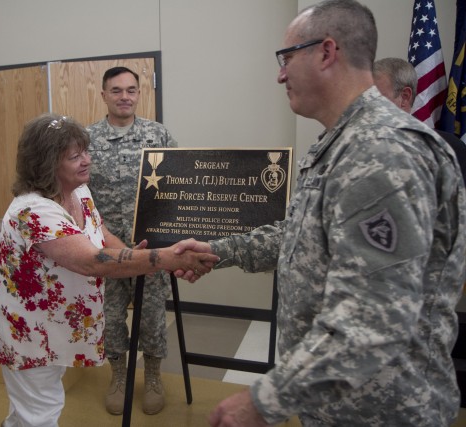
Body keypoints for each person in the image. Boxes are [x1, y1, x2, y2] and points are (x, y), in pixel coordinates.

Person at [175, 1, 466, 426]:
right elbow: (302, 236)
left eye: (287, 58)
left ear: (326, 52)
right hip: (336, 403)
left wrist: (264, 401)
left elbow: (374, 318)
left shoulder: (381, 151)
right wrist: (220, 250)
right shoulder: (342, 141)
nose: (280, 74)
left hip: (384, 409)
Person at [0, 113, 217, 427]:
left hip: (52, 323)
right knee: (39, 412)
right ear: (46, 164)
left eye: (86, 151)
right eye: (75, 156)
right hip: (28, 328)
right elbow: (91, 260)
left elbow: (100, 231)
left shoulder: (77, 191)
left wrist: (130, 254)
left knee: (35, 405)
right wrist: (169, 258)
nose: (87, 160)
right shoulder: (33, 210)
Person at [86, 66, 178, 415]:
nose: (125, 96)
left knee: (153, 314)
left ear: (139, 93)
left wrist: (168, 239)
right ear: (104, 94)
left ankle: (153, 376)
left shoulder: (159, 135)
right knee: (110, 315)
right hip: (105, 249)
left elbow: (176, 186)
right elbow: (77, 192)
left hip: (150, 247)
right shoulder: (86, 139)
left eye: (131, 90)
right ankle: (119, 375)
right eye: (116, 90)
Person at [373, 57, 466, 185]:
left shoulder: (449, 149)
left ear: (405, 97)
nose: (368, 105)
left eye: (376, 98)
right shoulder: (363, 145)